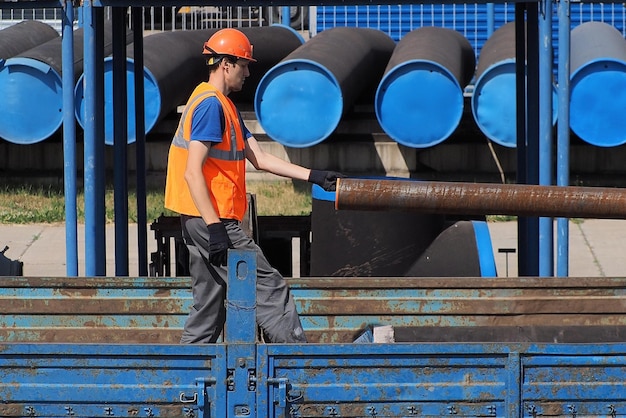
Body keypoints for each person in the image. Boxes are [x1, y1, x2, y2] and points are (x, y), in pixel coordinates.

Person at [164, 28, 343, 344]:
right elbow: (193, 173)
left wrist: (312, 175)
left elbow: (259, 158)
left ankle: (186, 376)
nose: (248, 72)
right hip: (212, 220)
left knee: (209, 306)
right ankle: (297, 366)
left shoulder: (224, 106)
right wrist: (215, 227)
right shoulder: (210, 107)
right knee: (270, 289)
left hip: (198, 220)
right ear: (225, 64)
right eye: (244, 65)